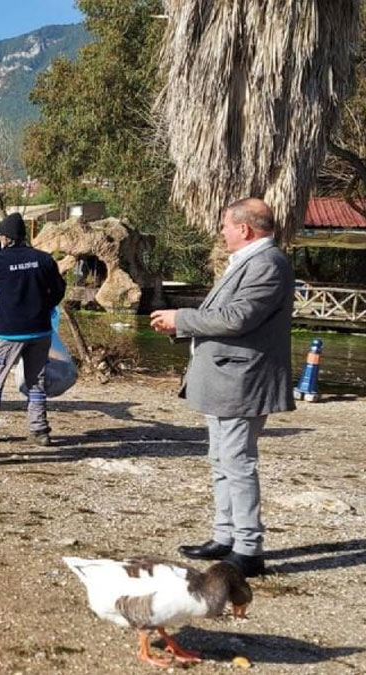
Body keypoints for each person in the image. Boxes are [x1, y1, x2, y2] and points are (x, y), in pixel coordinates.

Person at [150, 197, 294, 578]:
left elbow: (236, 318)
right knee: (221, 460)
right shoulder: (251, 262)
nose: (222, 232)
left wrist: (181, 317)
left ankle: (248, 548)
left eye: (225, 226)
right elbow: (226, 316)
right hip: (227, 378)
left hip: (242, 381)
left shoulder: (267, 264)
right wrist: (181, 327)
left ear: (244, 229)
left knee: (237, 462)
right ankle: (225, 535)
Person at [0, 213, 66, 445]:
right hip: (40, 331)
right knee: (37, 380)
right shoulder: (44, 259)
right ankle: (39, 430)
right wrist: (46, 306)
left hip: (10, 332)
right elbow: (60, 289)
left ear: (5, 237)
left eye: (0, 236)